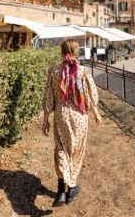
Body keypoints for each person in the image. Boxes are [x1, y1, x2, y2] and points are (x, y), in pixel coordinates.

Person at [42, 39, 102, 207]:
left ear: (62, 52)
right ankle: (72, 186)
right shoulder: (83, 71)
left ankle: (62, 192)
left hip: (61, 115)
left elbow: (49, 96)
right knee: (76, 151)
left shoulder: (53, 71)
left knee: (62, 149)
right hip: (79, 115)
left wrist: (46, 119)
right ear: (78, 52)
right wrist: (95, 111)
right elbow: (91, 94)